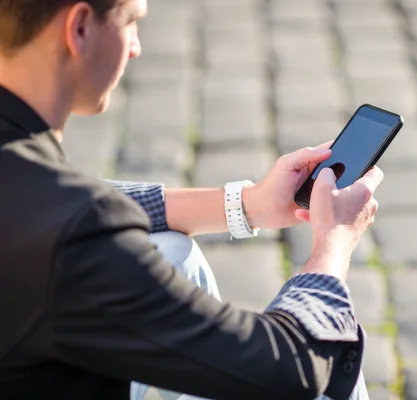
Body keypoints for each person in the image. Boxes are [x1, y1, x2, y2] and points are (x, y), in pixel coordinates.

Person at [0, 0, 383, 399]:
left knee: (171, 253)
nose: (135, 48)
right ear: (79, 27)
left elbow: (81, 201)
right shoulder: (75, 235)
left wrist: (247, 204)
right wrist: (332, 246)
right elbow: (289, 369)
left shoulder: (39, 194)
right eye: (131, 22)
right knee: (330, 358)